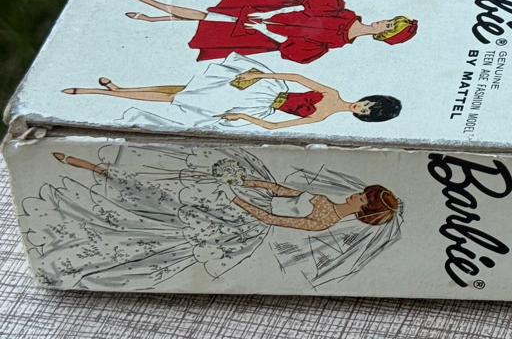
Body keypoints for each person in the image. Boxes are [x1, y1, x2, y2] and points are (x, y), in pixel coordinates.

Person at [21, 145, 402, 290]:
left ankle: (95, 194)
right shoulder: (321, 198)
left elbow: (274, 220)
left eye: (361, 197)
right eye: (361, 191)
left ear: (362, 210)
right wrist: (244, 182)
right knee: (169, 184)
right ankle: (95, 167)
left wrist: (236, 202)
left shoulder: (324, 221)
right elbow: (278, 189)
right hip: (248, 196)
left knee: (162, 213)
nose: (355, 193)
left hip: (242, 219)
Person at [60, 54, 401, 131]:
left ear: (362, 118)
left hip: (254, 107)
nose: (360, 107)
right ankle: (118, 89)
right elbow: (296, 76)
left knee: (178, 98)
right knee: (180, 89)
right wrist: (261, 74)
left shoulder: (323, 116)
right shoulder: (332, 94)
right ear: (367, 97)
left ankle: (103, 94)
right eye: (367, 103)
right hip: (264, 88)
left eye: (364, 112)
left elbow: (276, 126)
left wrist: (243, 117)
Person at [115, 0, 416, 63]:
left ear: (383, 37)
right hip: (269, 10)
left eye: (389, 28)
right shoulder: (345, 13)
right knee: (209, 15)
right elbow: (309, 4)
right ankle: (153, 10)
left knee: (208, 18)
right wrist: (269, 15)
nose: (384, 23)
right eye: (390, 21)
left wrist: (264, 29)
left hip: (261, 30)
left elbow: (294, 49)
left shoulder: (336, 43)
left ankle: (152, 9)